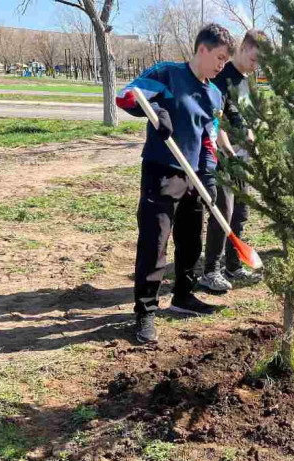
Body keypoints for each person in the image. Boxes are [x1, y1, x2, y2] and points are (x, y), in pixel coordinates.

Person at [115, 24, 236, 344]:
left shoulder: (213, 92)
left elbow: (209, 139)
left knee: (190, 240)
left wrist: (208, 176)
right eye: (220, 57)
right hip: (162, 171)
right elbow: (125, 96)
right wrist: (154, 109)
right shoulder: (168, 73)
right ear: (202, 49)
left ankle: (183, 296)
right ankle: (145, 312)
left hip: (193, 175)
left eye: (226, 60)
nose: (222, 65)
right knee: (155, 242)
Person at [199, 30, 266, 293]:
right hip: (224, 154)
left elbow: (252, 112)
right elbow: (217, 117)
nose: (256, 65)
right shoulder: (222, 76)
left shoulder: (249, 79)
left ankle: (233, 265)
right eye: (254, 58)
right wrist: (226, 148)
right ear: (242, 47)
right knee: (222, 213)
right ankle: (210, 271)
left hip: (243, 155)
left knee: (240, 213)